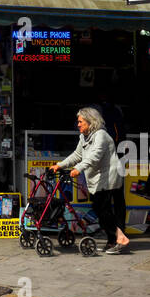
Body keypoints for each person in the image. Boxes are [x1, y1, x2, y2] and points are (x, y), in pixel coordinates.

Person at [55, 106, 130, 254]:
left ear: (90, 121)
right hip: (98, 178)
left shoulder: (101, 135)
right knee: (102, 209)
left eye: (81, 121)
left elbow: (94, 156)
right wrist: (59, 165)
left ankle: (120, 238)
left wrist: (79, 169)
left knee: (101, 208)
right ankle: (112, 240)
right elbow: (77, 154)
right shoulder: (84, 136)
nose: (78, 124)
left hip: (109, 178)